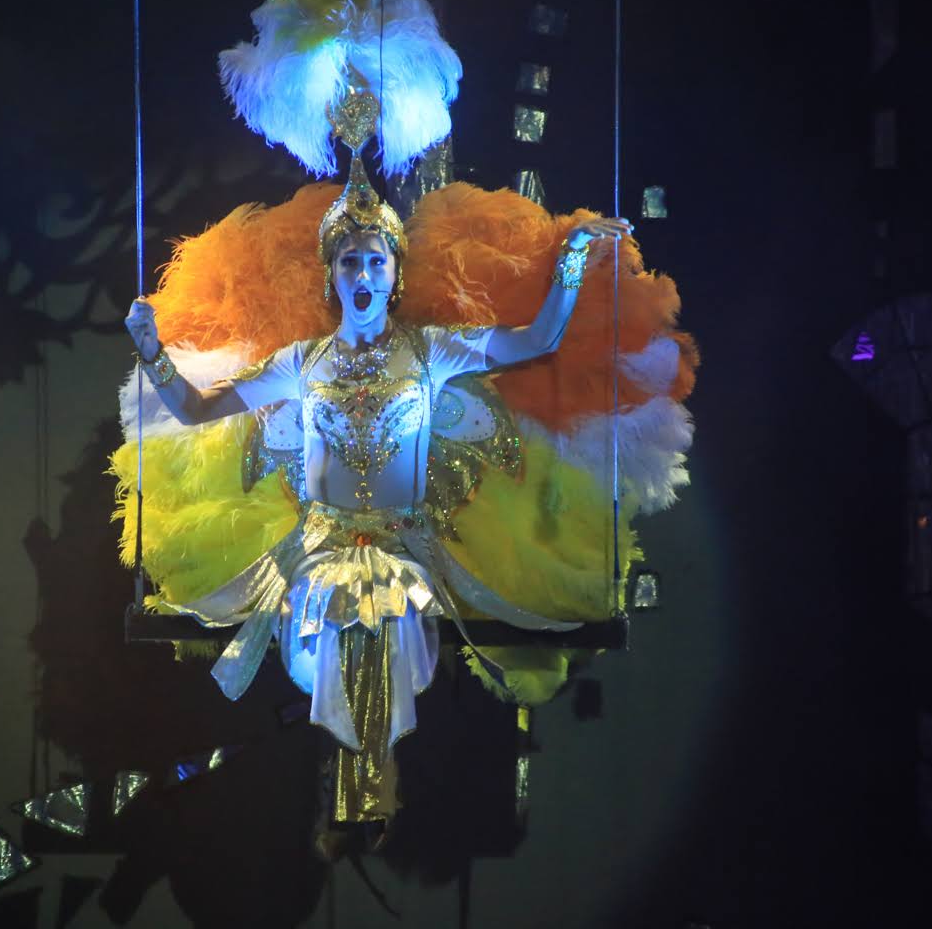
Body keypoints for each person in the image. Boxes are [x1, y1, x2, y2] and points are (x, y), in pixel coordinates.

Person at [125, 155, 632, 827]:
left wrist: (571, 257)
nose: (362, 276)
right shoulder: (300, 364)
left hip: (408, 546)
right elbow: (195, 409)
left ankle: (369, 789)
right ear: (332, 277)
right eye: (349, 264)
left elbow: (538, 340)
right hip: (317, 547)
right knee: (336, 603)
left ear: (395, 275)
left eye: (375, 263)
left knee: (385, 604)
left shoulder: (431, 352)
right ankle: (352, 790)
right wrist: (152, 353)